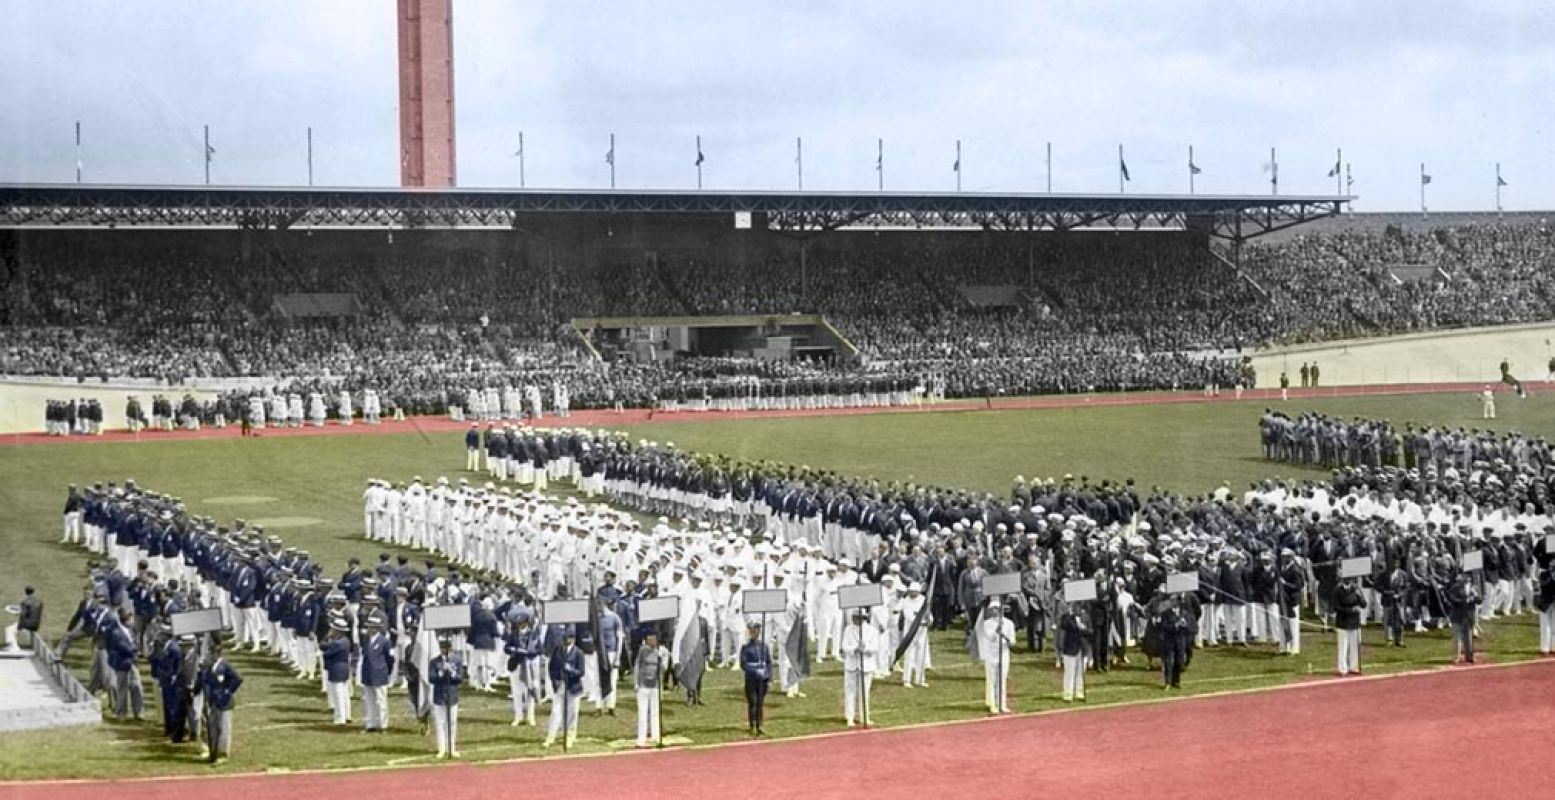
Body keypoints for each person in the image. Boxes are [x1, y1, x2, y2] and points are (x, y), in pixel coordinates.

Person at [201, 639, 242, 763]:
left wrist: (228, 691)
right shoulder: (207, 667)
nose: (207, 656)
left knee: (223, 728)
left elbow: (237, 679)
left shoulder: (224, 666)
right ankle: (213, 753)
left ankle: (222, 754)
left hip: (224, 703)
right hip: (212, 701)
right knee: (212, 728)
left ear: (216, 654)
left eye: (209, 653)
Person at [545, 630, 585, 748]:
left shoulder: (578, 653)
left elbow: (581, 671)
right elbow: (551, 667)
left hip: (573, 687)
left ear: (573, 639)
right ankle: (551, 735)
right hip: (560, 685)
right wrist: (554, 681)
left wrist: (571, 671)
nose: (566, 641)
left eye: (569, 638)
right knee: (556, 711)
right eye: (565, 638)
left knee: (572, 712)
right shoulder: (558, 650)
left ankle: (570, 735)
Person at [429, 637, 466, 759]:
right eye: (443, 648)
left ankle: (452, 747)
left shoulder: (457, 660)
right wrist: (440, 673)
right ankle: (442, 748)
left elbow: (460, 678)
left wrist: (451, 672)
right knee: (440, 723)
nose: (445, 650)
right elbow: (431, 678)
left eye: (447, 648)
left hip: (452, 694)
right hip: (439, 695)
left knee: (452, 722)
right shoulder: (434, 662)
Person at [840, 611, 877, 727]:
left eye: (858, 617)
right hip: (851, 664)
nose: (855, 620)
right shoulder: (848, 630)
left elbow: (875, 647)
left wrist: (865, 648)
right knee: (850, 692)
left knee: (864, 692)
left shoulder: (872, 631)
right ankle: (849, 717)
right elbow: (844, 646)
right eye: (854, 617)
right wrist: (854, 649)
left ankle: (864, 717)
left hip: (866, 665)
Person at [979, 602, 1015, 714]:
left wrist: (1005, 636)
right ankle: (992, 703)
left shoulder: (1009, 623)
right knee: (991, 679)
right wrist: (997, 630)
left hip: (1003, 654)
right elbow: (990, 637)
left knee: (1002, 679)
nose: (993, 611)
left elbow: (1012, 642)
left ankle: (1002, 704)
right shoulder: (986, 624)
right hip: (991, 654)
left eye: (996, 608)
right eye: (992, 608)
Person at [634, 630, 668, 747]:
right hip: (643, 685)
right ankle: (641, 738)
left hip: (655, 686)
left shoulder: (660, 652)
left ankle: (656, 736)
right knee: (643, 713)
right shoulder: (643, 650)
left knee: (655, 712)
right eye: (650, 639)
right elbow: (637, 666)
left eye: (654, 638)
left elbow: (663, 669)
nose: (652, 641)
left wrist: (663, 658)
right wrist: (636, 683)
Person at [360, 618, 395, 732]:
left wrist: (387, 671)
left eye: (371, 626)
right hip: (368, 673)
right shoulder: (366, 640)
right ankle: (371, 723)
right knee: (369, 700)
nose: (369, 629)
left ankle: (383, 724)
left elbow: (389, 658)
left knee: (381, 700)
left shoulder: (384, 641)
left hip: (379, 673)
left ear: (377, 628)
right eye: (368, 626)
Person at [739, 623, 771, 736]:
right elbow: (744, 664)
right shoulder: (746, 648)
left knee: (760, 703)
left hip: (762, 680)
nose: (754, 633)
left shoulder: (764, 647)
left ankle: (759, 724)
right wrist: (755, 670)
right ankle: (752, 725)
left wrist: (768, 677)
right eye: (752, 631)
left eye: (756, 631)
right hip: (751, 679)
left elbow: (768, 662)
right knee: (753, 702)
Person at [321, 620, 353, 725]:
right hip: (343, 668)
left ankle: (340, 717)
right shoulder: (345, 640)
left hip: (337, 669)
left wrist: (327, 637)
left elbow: (325, 650)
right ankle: (347, 715)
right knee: (344, 693)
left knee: (338, 694)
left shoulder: (338, 643)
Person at [1447, 571, 1481, 665]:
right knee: (1457, 638)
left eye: (1468, 576)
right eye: (1465, 576)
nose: (1467, 578)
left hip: (1468, 616)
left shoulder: (1474, 588)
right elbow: (1452, 599)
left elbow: (1479, 601)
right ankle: (1456, 657)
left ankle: (1469, 657)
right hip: (1457, 615)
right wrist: (1464, 600)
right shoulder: (1455, 587)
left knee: (1468, 638)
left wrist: (1475, 596)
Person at [1333, 577, 1365, 676]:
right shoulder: (1338, 590)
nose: (1349, 580)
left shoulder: (1357, 589)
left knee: (1355, 645)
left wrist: (1360, 597)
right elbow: (1335, 606)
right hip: (1343, 621)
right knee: (1343, 646)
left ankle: (1354, 667)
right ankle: (1342, 668)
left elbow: (1364, 604)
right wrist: (1349, 610)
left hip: (1355, 621)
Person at [1057, 602, 1087, 702]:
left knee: (1080, 673)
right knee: (1069, 673)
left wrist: (1084, 629)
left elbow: (1090, 631)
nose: (1077, 609)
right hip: (1070, 648)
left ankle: (1079, 693)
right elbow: (1064, 625)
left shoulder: (1084, 617)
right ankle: (1067, 694)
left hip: (1081, 648)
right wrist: (1069, 614)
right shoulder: (1066, 618)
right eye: (1074, 607)